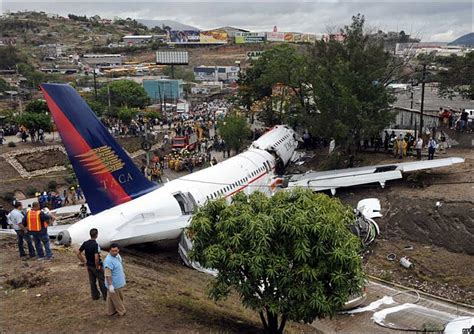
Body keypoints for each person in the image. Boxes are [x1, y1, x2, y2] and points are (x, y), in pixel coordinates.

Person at [77, 228, 107, 301]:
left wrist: (83, 261)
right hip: (95, 265)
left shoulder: (85, 243)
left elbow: (78, 252)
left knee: (92, 282)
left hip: (89, 265)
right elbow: (96, 257)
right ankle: (105, 296)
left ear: (90, 234)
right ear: (96, 235)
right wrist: (97, 266)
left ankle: (95, 296)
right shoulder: (95, 244)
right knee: (101, 280)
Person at [104, 243, 126, 316]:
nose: (114, 252)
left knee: (111, 297)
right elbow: (108, 274)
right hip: (114, 284)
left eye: (116, 251)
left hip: (119, 282)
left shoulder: (117, 256)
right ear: (109, 250)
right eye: (112, 251)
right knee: (117, 299)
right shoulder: (108, 260)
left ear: (118, 250)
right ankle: (122, 311)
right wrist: (110, 285)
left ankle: (110, 311)